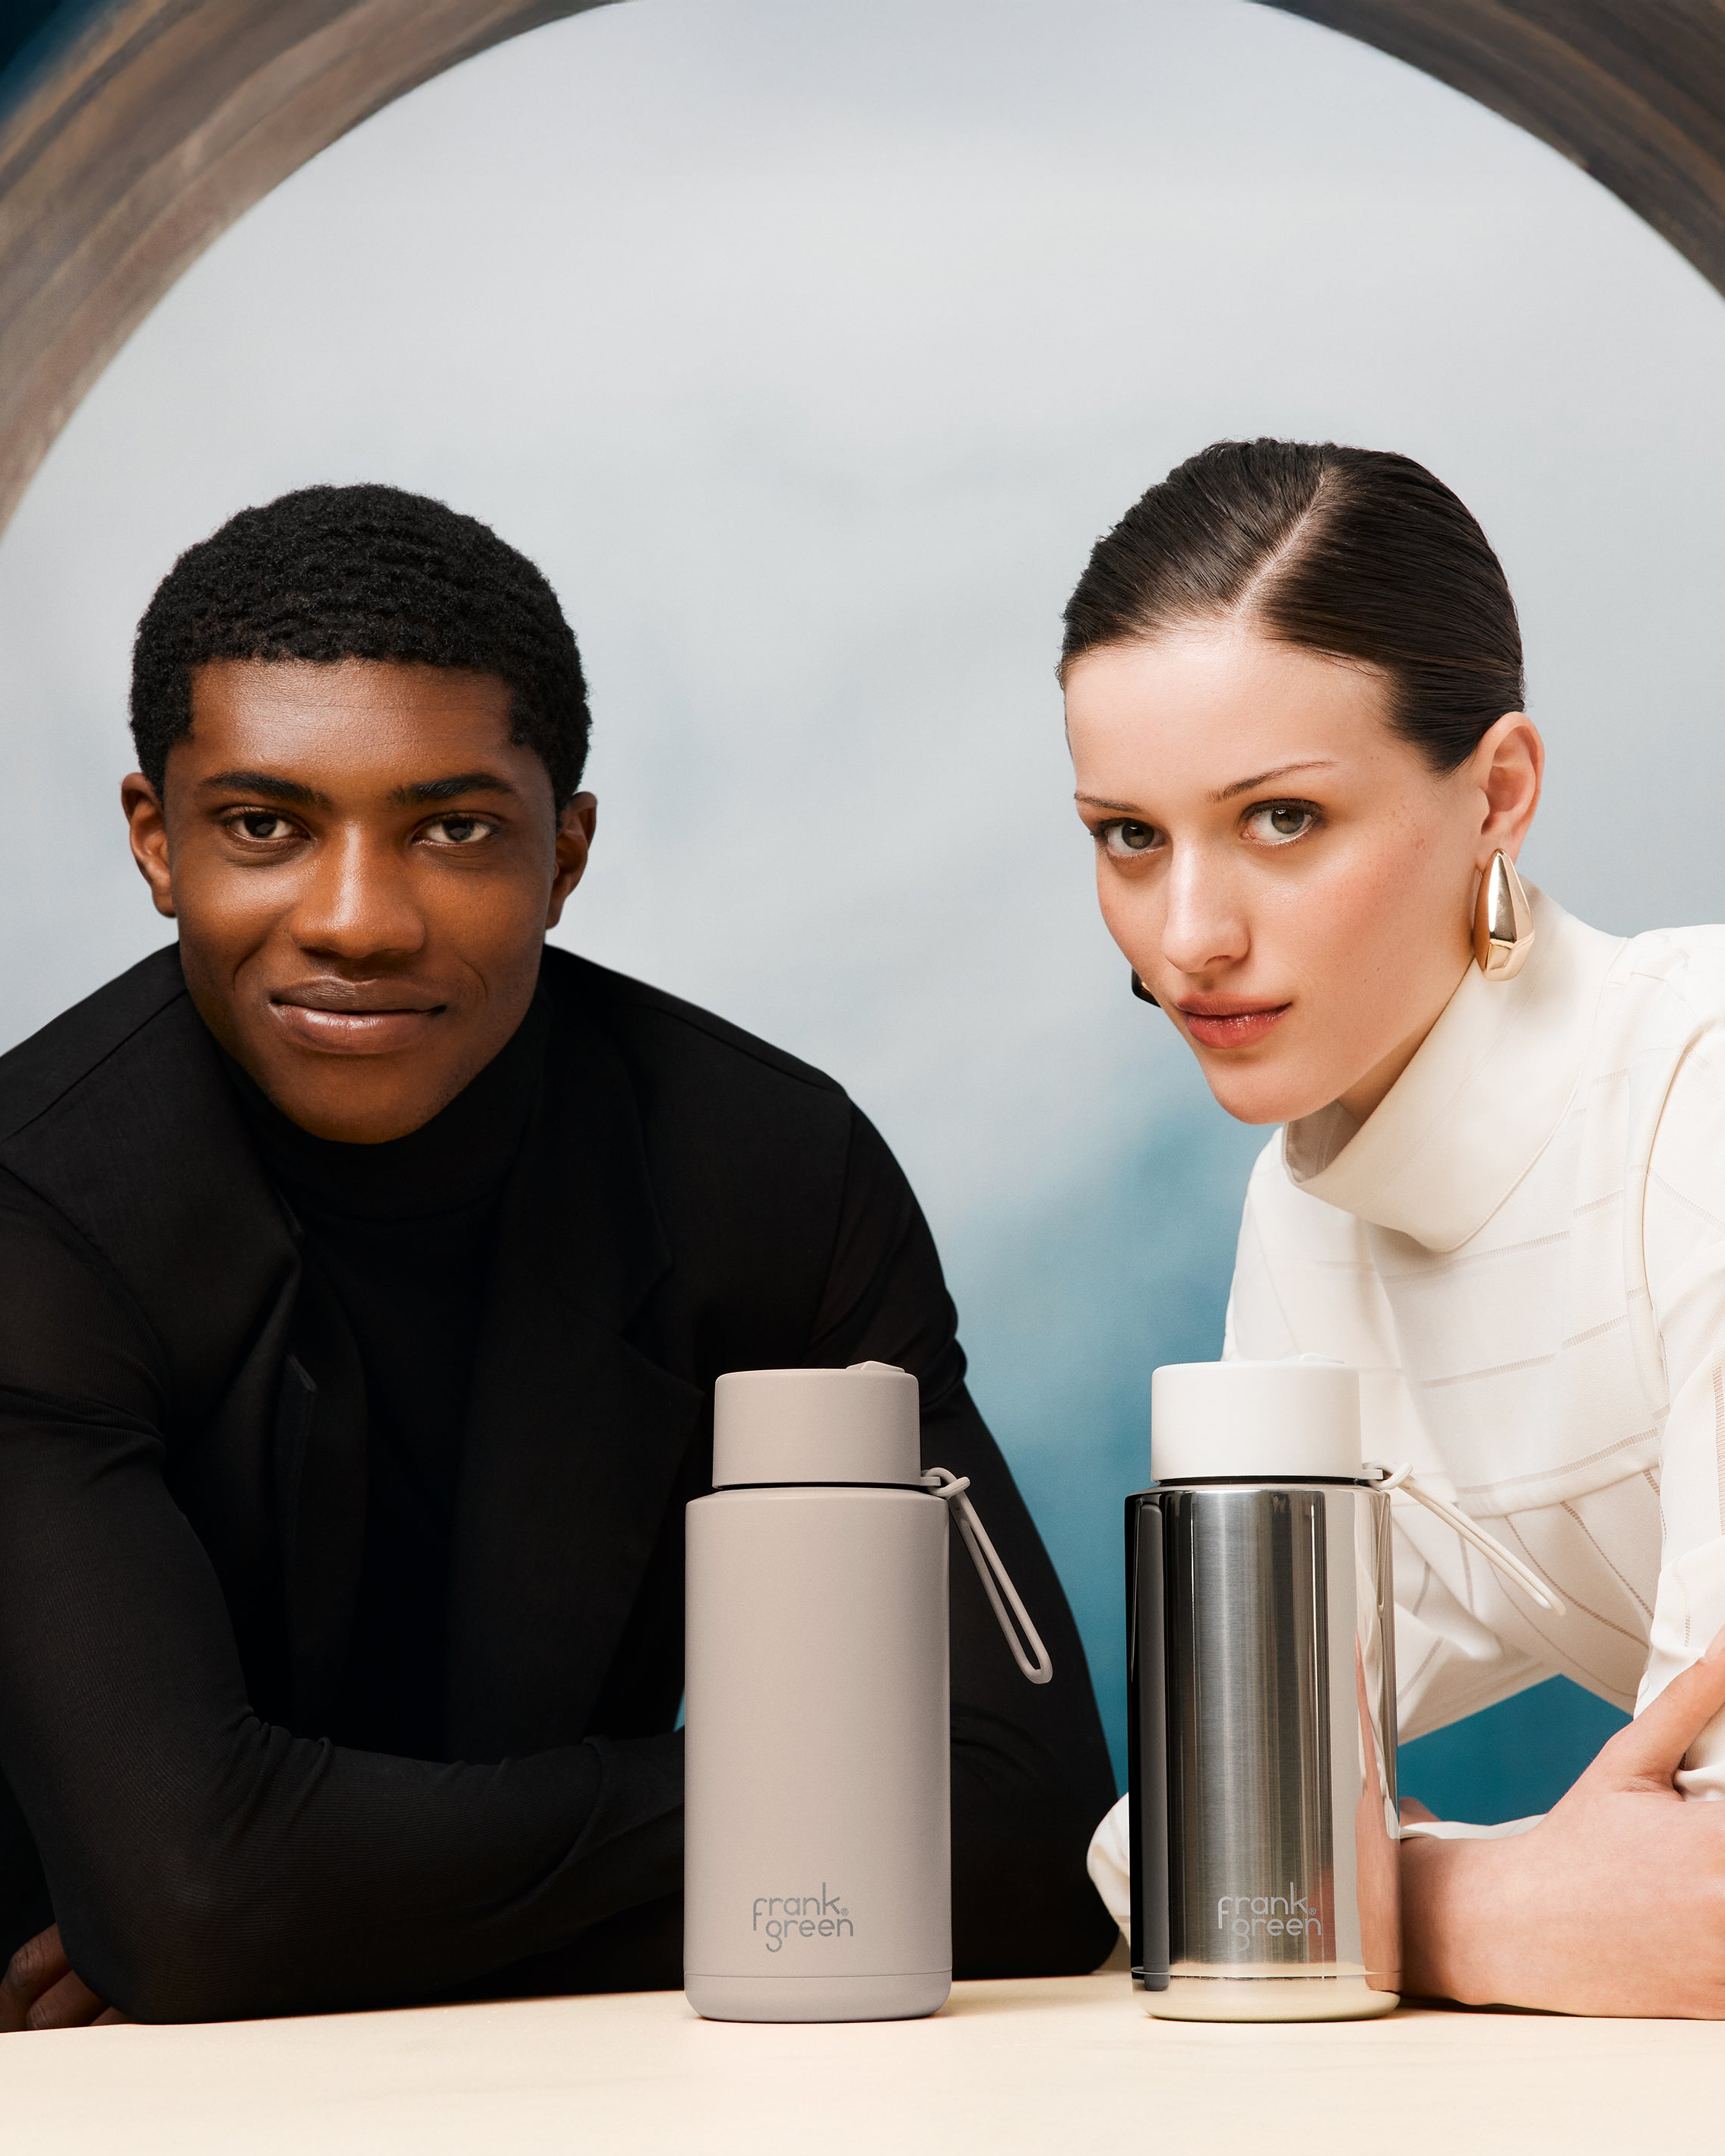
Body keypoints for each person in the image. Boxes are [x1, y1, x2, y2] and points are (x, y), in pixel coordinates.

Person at [0, 483, 1116, 2030]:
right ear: (156, 840)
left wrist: (303, 1923)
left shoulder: (770, 1175)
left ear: (566, 850)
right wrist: (803, 1821)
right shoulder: (34, 1209)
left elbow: (1030, 1836)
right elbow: (199, 1897)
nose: (358, 920)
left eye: (453, 829)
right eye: (264, 826)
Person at [1064, 438, 1725, 2020]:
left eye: (1282, 818)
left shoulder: (1694, 1097)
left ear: (1497, 792)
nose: (1187, 937)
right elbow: (1179, 1842)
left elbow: (1687, 1912)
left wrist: (1371, 1898)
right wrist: (1496, 1906)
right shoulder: (1308, 1203)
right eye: (1129, 834)